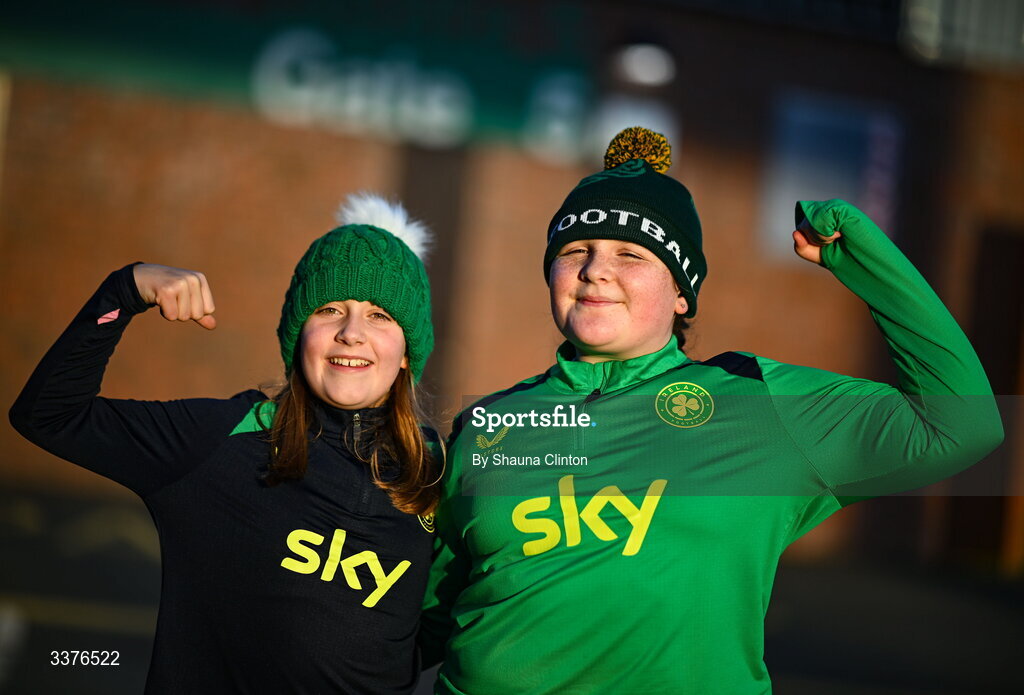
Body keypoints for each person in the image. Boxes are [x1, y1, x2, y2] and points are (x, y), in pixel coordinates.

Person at [419, 127, 1004, 694]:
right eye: (576, 250)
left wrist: (867, 263)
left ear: (681, 292)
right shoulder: (490, 422)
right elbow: (428, 614)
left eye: (631, 254)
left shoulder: (759, 404)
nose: (596, 269)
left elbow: (964, 425)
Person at [10, 193, 442, 694]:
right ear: (297, 336)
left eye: (379, 316)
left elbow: (443, 621)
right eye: (330, 309)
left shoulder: (437, 468)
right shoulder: (221, 440)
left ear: (409, 352)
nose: (351, 333)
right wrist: (123, 291)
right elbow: (48, 414)